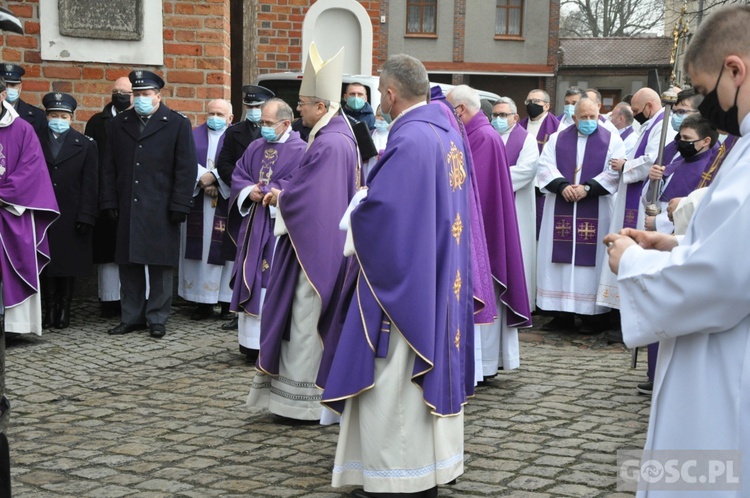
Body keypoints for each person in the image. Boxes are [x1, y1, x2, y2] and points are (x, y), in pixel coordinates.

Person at [604, 7, 750, 493]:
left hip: (728, 364)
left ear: (736, 70)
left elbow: (722, 281)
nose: (703, 107)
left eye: (705, 92)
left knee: (709, 471)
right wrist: (675, 242)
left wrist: (633, 262)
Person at [322, 53, 473, 498]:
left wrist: (359, 208)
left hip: (406, 283)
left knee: (393, 381)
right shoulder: (445, 132)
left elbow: (386, 215)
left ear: (389, 94)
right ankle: (430, 468)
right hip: (439, 273)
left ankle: (399, 477)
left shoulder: (409, 141)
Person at [246, 43, 358, 421]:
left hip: (315, 251)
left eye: (306, 102)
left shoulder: (329, 143)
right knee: (301, 320)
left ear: (322, 107)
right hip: (317, 244)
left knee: (305, 320)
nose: (300, 109)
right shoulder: (335, 136)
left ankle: (305, 405)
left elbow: (313, 200)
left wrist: (281, 197)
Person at [100, 69, 197, 339]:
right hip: (128, 203)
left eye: (146, 94)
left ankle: (157, 317)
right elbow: (109, 166)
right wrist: (109, 200)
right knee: (128, 263)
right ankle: (131, 316)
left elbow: (186, 168)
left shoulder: (176, 123)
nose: (141, 98)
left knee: (159, 265)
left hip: (161, 205)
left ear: (158, 95)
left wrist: (180, 203)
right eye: (137, 94)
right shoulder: (119, 124)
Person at [448, 85, 530, 378]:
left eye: (449, 110)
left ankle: (482, 365)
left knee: (484, 293)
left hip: (483, 231)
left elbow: (472, 192)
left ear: (460, 110)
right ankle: (486, 363)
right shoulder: (480, 132)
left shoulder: (481, 136)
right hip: (488, 226)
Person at [228, 98, 306, 362]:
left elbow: (300, 183)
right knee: (252, 273)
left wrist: (275, 194)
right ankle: (249, 344)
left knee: (271, 278)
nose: (263, 127)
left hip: (279, 228)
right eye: (262, 122)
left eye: (269, 123)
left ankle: (270, 343)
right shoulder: (254, 146)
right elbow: (239, 174)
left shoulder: (301, 150)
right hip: (253, 224)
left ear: (286, 123)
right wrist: (250, 191)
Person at [536, 97, 623, 332]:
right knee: (559, 262)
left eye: (592, 117)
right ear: (574, 118)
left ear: (599, 114)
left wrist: (586, 188)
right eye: (583, 117)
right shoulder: (557, 138)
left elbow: (614, 172)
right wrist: (563, 186)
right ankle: (560, 314)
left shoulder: (612, 139)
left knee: (591, 263)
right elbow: (544, 167)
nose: (588, 121)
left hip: (597, 207)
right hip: (561, 205)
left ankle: (592, 318)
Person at [0, 77, 59, 336]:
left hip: (12, 212)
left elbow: (31, 171)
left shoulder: (22, 129)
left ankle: (13, 326)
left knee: (13, 268)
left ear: (3, 95)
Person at [598, 87, 665, 312]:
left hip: (640, 199)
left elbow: (653, 160)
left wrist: (625, 165)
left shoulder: (662, 127)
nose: (634, 114)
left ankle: (627, 310)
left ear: (649, 106)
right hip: (631, 192)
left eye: (636, 109)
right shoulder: (651, 124)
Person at [214, 85, 273, 330]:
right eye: (250, 107)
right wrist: (246, 188)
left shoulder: (277, 134)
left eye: (258, 107)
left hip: (269, 204)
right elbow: (224, 163)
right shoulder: (235, 131)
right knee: (239, 255)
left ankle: (263, 308)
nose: (254, 111)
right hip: (244, 203)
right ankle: (236, 309)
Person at [37, 92, 98, 329]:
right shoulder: (35, 140)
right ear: (47, 116)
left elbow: (90, 183)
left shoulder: (84, 144)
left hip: (71, 213)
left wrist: (86, 214)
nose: (58, 119)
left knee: (67, 263)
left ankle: (64, 308)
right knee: (45, 263)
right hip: (43, 211)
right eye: (54, 115)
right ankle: (49, 308)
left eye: (63, 116)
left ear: (71, 118)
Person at [178, 99, 234, 321]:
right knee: (198, 252)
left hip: (225, 204)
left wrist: (217, 179)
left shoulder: (235, 137)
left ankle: (225, 300)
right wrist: (203, 180)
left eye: (220, 114)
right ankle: (201, 302)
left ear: (230, 118)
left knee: (225, 251)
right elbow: (184, 160)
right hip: (198, 203)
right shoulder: (192, 135)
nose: (215, 118)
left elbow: (238, 163)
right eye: (211, 113)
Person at [85, 76, 133, 319]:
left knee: (132, 250)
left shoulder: (139, 121)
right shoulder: (96, 122)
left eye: (124, 91)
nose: (119, 95)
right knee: (107, 251)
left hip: (132, 193)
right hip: (105, 194)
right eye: (116, 91)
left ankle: (133, 300)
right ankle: (109, 299)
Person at [492, 96, 540, 311]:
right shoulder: (488, 137)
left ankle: (520, 302)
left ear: (515, 117)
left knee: (518, 248)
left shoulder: (526, 139)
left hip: (517, 205)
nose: (498, 119)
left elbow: (527, 170)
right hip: (491, 205)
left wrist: (492, 178)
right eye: (495, 115)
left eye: (503, 115)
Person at [643, 114, 718, 234]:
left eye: (687, 139)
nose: (681, 143)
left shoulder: (710, 171)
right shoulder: (676, 162)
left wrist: (658, 223)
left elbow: (696, 207)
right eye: (681, 138)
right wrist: (653, 181)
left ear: (706, 141)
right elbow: (653, 199)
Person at [0, 63, 46, 136]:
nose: (8, 89)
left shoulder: (38, 116)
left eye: (13, 85)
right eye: (4, 85)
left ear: (20, 87)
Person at [519, 89, 560, 153]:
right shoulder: (520, 125)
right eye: (528, 101)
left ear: (546, 106)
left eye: (536, 101)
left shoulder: (559, 127)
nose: (531, 104)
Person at [363, 104, 388, 178]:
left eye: (385, 116)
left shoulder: (395, 135)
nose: (382, 118)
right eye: (379, 115)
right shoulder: (368, 135)